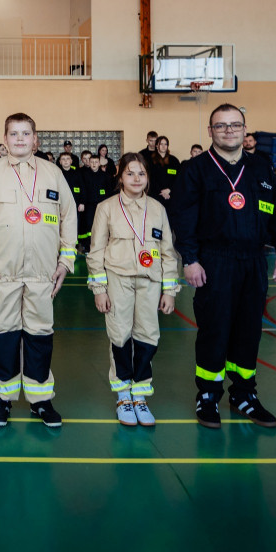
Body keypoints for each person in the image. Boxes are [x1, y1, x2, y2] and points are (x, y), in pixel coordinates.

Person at [171, 104, 276, 429]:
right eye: (221, 126)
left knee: (249, 330)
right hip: (214, 260)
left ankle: (244, 395)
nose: (229, 130)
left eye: (235, 125)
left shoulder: (261, 167)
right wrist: (191, 258)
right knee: (215, 329)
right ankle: (208, 395)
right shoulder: (195, 169)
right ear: (210, 131)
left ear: (244, 129)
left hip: (254, 260)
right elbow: (182, 218)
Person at [0, 112, 78, 427]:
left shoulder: (53, 173)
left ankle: (40, 399)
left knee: (39, 337)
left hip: (43, 275)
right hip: (2, 275)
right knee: (3, 336)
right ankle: (2, 398)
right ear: (4, 140)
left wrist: (65, 261)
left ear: (35, 139)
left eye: (25, 134)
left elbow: (69, 218)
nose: (19, 139)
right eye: (13, 134)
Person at [87, 152, 180, 426]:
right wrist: (99, 289)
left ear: (148, 177)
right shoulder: (106, 208)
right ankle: (123, 395)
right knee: (120, 335)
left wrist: (170, 290)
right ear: (120, 176)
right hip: (118, 279)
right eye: (130, 173)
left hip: (150, 281)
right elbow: (95, 252)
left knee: (148, 336)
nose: (136, 179)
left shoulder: (157, 208)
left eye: (141, 173)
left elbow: (167, 253)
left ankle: (140, 394)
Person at [79, 154, 110, 252]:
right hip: (89, 205)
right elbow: (82, 190)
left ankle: (101, 246)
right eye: (91, 162)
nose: (93, 164)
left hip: (102, 205)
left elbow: (109, 191)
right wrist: (82, 202)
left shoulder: (105, 175)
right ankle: (88, 246)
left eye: (96, 162)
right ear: (88, 162)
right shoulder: (84, 175)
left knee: (102, 225)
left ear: (99, 163)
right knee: (89, 225)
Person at [148, 135, 180, 210]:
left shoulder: (174, 160)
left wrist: (169, 190)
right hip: (155, 195)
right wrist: (161, 192)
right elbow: (149, 178)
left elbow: (178, 177)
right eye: (161, 144)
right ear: (157, 146)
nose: (163, 146)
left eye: (165, 144)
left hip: (171, 195)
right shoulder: (150, 161)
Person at [58, 153, 85, 244]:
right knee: (60, 224)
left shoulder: (77, 173)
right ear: (60, 162)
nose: (65, 161)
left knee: (74, 224)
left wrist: (82, 202)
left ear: (71, 161)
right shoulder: (57, 174)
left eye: (67, 159)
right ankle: (61, 243)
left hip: (75, 204)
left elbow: (82, 188)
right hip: (60, 204)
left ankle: (74, 244)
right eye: (63, 159)